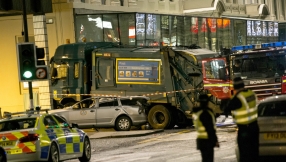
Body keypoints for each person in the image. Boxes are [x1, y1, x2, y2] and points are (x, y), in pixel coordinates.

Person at [224, 77, 259, 162]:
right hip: (255, 128)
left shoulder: (237, 98)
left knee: (244, 155)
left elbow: (226, 108)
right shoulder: (251, 93)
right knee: (255, 153)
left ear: (235, 88)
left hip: (245, 130)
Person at [193, 94, 219, 162]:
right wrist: (215, 140)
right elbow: (210, 128)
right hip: (207, 140)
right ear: (207, 102)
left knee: (205, 159)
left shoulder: (196, 113)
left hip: (201, 140)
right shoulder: (205, 113)